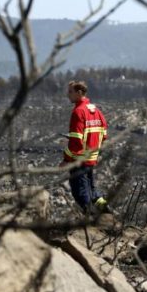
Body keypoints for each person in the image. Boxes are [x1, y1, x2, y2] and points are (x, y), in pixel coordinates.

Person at [59, 80, 110, 215]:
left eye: (70, 92)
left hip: (79, 160)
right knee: (91, 190)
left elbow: (76, 141)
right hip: (91, 159)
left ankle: (91, 221)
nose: (67, 95)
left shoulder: (78, 112)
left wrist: (66, 159)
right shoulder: (96, 111)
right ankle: (106, 212)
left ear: (79, 93)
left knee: (80, 193)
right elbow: (104, 134)